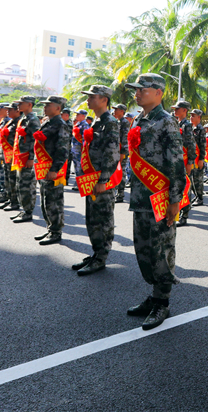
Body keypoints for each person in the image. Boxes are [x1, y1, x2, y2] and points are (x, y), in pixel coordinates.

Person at [124, 74, 186, 330]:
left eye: (143, 89)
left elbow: (176, 163)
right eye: (135, 90)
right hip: (141, 197)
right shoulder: (139, 118)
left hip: (160, 198)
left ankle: (162, 302)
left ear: (159, 92)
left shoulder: (166, 122)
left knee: (161, 250)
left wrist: (175, 200)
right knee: (144, 249)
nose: (137, 93)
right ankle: (154, 295)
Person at [70, 85, 121, 275]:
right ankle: (95, 252)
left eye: (92, 97)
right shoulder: (97, 121)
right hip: (91, 177)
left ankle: (101, 257)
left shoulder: (110, 122)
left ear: (104, 100)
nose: (88, 100)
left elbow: (112, 154)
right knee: (92, 218)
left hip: (101, 179)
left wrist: (103, 180)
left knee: (103, 218)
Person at [32, 96, 70, 245]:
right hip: (43, 166)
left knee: (54, 201)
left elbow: (62, 150)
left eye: (49, 105)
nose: (45, 107)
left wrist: (55, 169)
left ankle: (56, 232)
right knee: (45, 199)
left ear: (58, 108)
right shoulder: (48, 122)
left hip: (53, 169)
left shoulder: (61, 124)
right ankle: (50, 228)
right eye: (45, 105)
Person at [12, 96, 42, 224]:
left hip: (27, 159)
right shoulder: (24, 119)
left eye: (21, 103)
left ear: (29, 104)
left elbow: (37, 140)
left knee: (27, 186)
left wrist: (31, 158)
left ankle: (28, 212)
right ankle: (24, 209)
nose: (18, 105)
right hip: (20, 157)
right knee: (20, 184)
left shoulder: (33, 120)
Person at [170, 100, 196, 227]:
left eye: (177, 109)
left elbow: (191, 145)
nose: (175, 111)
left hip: (185, 160)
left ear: (184, 110)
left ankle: (184, 216)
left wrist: (190, 162)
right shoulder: (177, 123)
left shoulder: (187, 125)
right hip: (177, 160)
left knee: (186, 188)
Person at [0, 104, 22, 212]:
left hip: (14, 155)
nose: (8, 111)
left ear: (17, 111)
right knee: (8, 178)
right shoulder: (10, 121)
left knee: (13, 180)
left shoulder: (19, 122)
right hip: (7, 155)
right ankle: (9, 198)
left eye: (10, 109)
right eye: (7, 109)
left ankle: (14, 202)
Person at [113, 104, 130, 203]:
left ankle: (120, 194)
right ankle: (115, 191)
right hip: (115, 150)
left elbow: (125, 138)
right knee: (115, 171)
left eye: (117, 109)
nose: (115, 111)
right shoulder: (116, 121)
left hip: (121, 151)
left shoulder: (124, 122)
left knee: (121, 172)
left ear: (122, 111)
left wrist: (122, 153)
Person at [190, 109, 206, 206]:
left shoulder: (201, 129)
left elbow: (203, 146)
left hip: (198, 159)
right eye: (191, 115)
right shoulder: (192, 128)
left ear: (199, 117)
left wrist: (201, 159)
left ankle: (200, 198)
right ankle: (196, 196)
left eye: (193, 115)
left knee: (198, 180)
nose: (191, 117)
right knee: (192, 179)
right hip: (192, 159)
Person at [71, 109, 90, 191]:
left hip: (80, 150)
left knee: (80, 167)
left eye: (78, 114)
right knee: (76, 167)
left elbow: (85, 139)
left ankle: (80, 184)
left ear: (83, 116)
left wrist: (84, 150)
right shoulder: (78, 124)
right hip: (75, 150)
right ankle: (78, 183)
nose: (76, 116)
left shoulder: (85, 125)